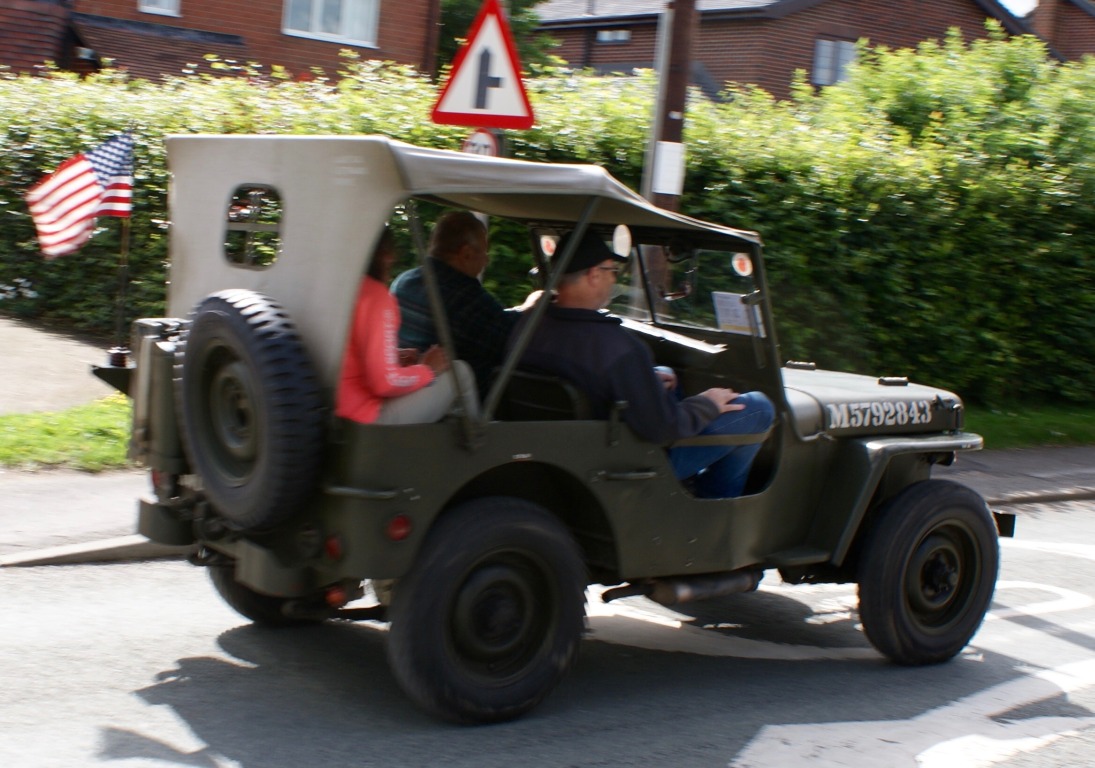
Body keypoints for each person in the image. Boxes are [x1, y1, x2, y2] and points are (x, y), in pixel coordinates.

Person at [510, 230, 775, 498]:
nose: (614, 278)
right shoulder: (618, 348)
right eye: (612, 270)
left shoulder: (527, 326)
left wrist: (646, 379)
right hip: (630, 460)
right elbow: (663, 428)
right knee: (759, 408)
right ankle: (711, 505)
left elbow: (592, 377)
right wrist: (707, 402)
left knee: (667, 379)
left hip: (561, 448)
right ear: (594, 274)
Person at [336, 228, 477, 425]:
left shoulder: (339, 288)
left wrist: (393, 356)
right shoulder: (375, 296)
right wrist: (428, 369)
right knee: (460, 372)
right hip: (367, 419)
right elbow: (385, 383)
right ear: (385, 256)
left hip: (336, 411)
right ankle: (476, 443)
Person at [391, 211, 527, 397]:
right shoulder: (467, 297)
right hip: (449, 405)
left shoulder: (403, 281)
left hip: (405, 390)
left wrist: (520, 309)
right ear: (466, 254)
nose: (486, 260)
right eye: (484, 251)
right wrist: (529, 310)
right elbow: (512, 339)